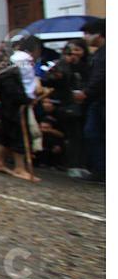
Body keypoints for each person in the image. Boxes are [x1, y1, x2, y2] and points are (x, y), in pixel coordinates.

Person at [44, 40, 90, 178]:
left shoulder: (87, 65)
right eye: (71, 51)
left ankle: (83, 165)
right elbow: (50, 80)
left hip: (85, 104)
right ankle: (73, 165)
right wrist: (61, 71)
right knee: (73, 135)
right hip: (68, 105)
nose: (74, 54)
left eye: (77, 50)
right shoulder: (61, 65)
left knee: (83, 136)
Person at [74, 19, 105, 182]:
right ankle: (100, 170)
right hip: (97, 100)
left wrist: (86, 92)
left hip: (102, 99)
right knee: (93, 133)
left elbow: (100, 77)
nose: (85, 37)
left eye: (87, 34)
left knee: (96, 133)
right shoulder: (98, 53)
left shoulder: (104, 53)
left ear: (98, 34)